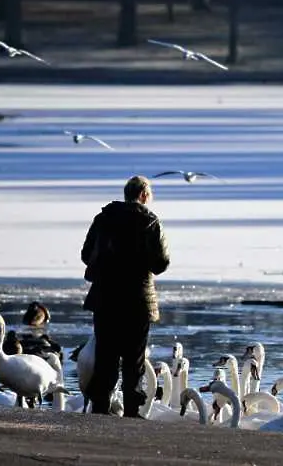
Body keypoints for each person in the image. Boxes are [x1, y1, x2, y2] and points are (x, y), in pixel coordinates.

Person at [81, 175, 170, 417]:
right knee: (134, 359)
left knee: (105, 356)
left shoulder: (103, 218)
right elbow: (161, 263)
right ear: (143, 195)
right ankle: (132, 410)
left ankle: (100, 407)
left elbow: (86, 254)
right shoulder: (150, 222)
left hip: (105, 297)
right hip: (137, 300)